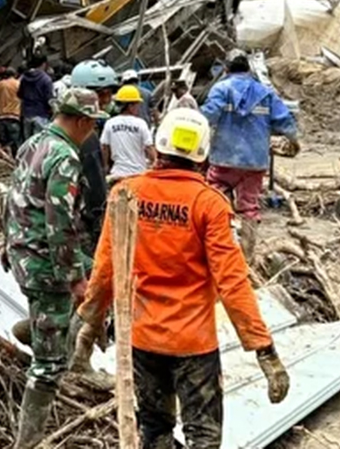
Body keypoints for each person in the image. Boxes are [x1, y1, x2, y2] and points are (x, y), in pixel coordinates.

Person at [75, 108, 290, 448]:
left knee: (155, 431)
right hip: (193, 344)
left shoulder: (126, 193)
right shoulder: (209, 205)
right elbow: (232, 282)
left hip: (143, 339)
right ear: (203, 155)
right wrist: (264, 350)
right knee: (203, 436)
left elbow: (106, 267)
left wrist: (90, 323)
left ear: (159, 146)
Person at [3, 88, 108, 448]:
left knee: (104, 273)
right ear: (81, 122)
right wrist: (74, 278)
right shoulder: (65, 157)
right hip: (45, 264)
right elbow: (60, 223)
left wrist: (7, 243)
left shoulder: (32, 144)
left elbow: (12, 198)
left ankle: (43, 330)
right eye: (92, 124)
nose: (92, 132)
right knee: (48, 369)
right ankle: (27, 443)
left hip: (24, 253)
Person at [199, 49, 299, 258]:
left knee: (217, 202)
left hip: (224, 159)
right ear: (248, 69)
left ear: (226, 69)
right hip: (254, 161)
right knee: (249, 208)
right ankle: (247, 257)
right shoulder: (264, 92)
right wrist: (294, 141)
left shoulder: (221, 89)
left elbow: (208, 115)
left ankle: (220, 252)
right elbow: (285, 121)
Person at [68, 59, 119, 255]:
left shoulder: (54, 131)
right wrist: (100, 216)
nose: (107, 100)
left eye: (109, 94)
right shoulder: (87, 138)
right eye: (103, 94)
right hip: (78, 224)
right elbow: (95, 187)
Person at [101, 85, 155, 181]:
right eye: (137, 104)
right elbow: (149, 148)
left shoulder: (110, 123)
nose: (138, 108)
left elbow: (104, 148)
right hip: (138, 175)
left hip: (117, 175)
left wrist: (105, 166)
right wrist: (155, 163)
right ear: (130, 106)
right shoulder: (140, 124)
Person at [0, 66, 22, 156]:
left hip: (0, 117)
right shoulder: (18, 84)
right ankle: (17, 160)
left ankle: (7, 160)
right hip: (14, 116)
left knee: (4, 144)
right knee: (15, 143)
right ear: (15, 75)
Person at [19, 54, 55, 139]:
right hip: (41, 114)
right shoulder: (46, 79)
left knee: (28, 142)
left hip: (27, 114)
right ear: (44, 64)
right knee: (40, 142)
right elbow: (49, 99)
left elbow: (20, 94)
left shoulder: (24, 78)